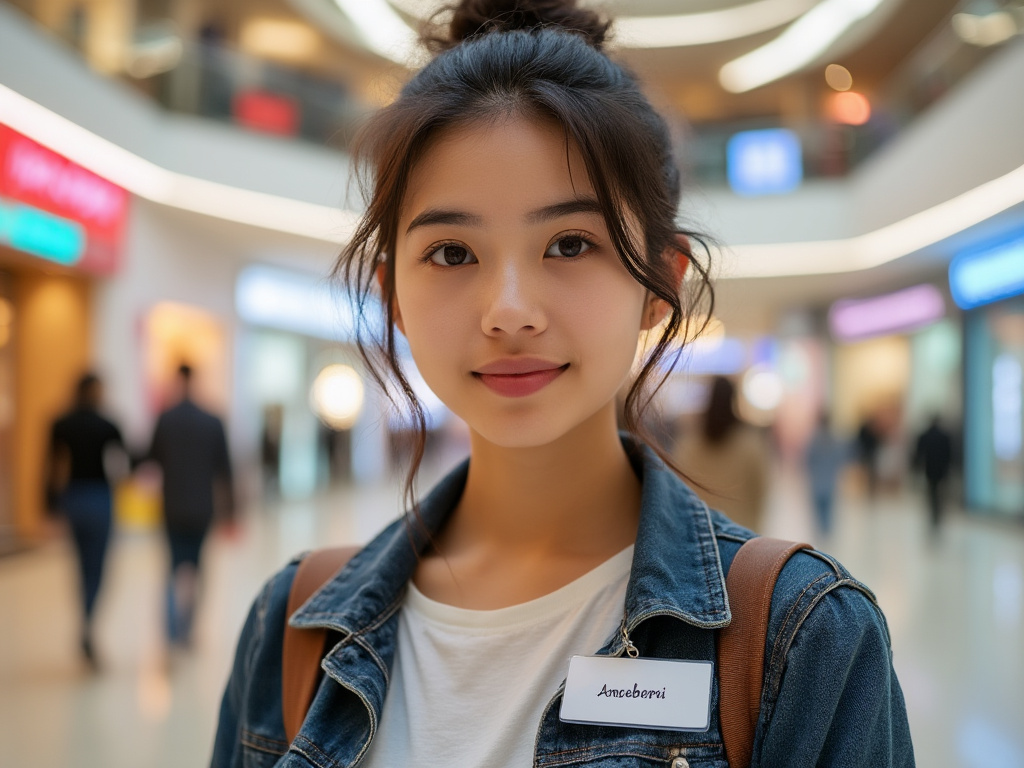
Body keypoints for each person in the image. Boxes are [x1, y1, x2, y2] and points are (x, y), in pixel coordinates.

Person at [212, 2, 914, 766]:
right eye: (452, 253)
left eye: (570, 243)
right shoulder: (295, 627)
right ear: (393, 298)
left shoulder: (800, 638)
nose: (509, 312)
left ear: (661, 282)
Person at [147, 364, 234, 647]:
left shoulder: (165, 419)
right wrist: (231, 509)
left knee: (173, 567)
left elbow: (150, 457)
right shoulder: (212, 419)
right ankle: (188, 629)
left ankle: (172, 631)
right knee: (197, 568)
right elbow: (225, 468)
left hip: (172, 506)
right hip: (202, 508)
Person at [47, 373, 127, 667]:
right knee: (97, 567)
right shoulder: (108, 424)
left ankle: (85, 619)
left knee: (82, 567)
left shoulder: (61, 423)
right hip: (99, 498)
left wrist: (51, 504)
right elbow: (124, 463)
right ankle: (88, 622)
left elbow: (52, 466)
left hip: (74, 498)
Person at [672, 376, 769, 532]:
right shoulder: (749, 442)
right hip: (740, 531)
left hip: (702, 529)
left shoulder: (690, 442)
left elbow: (677, 484)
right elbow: (760, 488)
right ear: (734, 399)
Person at [805, 411, 850, 537]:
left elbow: (809, 458)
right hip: (829, 479)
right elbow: (841, 457)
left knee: (819, 506)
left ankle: (821, 530)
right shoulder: (835, 439)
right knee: (828, 506)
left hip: (818, 479)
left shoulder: (815, 438)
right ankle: (826, 530)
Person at [913, 414, 954, 534]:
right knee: (940, 493)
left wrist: (916, 468)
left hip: (930, 469)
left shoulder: (925, 436)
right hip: (942, 469)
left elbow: (919, 454)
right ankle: (938, 513)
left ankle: (934, 513)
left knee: (932, 492)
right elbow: (949, 454)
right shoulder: (944, 436)